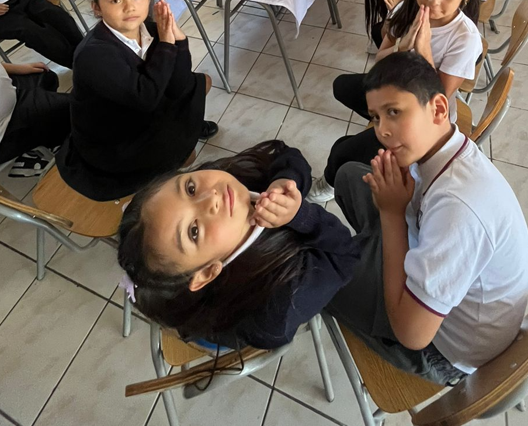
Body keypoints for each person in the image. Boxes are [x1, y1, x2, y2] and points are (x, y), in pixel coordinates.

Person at [327, 52, 528, 382]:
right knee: (350, 174)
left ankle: (365, 265)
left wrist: (392, 215)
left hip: (439, 348)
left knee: (315, 268)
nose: (382, 132)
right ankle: (370, 258)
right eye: (376, 118)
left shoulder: (458, 208)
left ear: (438, 109)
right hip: (425, 254)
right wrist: (396, 208)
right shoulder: (445, 148)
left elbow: (412, 334)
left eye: (394, 112)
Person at [117, 140, 361, 350]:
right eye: (194, 231)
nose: (211, 197)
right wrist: (303, 216)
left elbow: (286, 155)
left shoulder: (230, 178)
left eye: (190, 189)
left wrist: (286, 181)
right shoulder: (282, 301)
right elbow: (346, 257)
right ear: (207, 272)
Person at [309, 0, 484, 202]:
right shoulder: (406, 9)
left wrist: (423, 51)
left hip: (423, 118)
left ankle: (331, 184)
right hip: (395, 88)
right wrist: (402, 46)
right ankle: (381, 123)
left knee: (343, 151)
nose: (433, 0)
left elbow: (437, 98)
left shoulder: (465, 38)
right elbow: (381, 59)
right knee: (341, 86)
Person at [57, 0, 216, 201]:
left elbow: (177, 86)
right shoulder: (93, 54)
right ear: (97, 8)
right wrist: (167, 44)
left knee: (201, 82)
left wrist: (179, 40)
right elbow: (146, 97)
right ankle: (181, 133)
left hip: (141, 108)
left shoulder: (150, 30)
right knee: (187, 155)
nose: (130, 7)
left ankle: (186, 127)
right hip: (116, 138)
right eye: (115, 0)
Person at [0, 29, 71, 176]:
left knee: (46, 76)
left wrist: (19, 68)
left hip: (10, 97)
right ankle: (48, 144)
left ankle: (45, 142)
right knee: (79, 109)